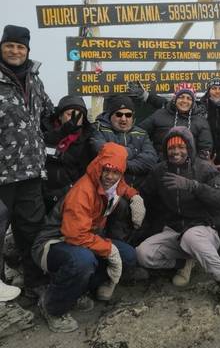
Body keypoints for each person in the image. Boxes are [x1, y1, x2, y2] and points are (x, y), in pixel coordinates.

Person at [136, 126, 220, 319]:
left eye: (181, 147)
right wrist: (133, 199)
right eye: (171, 148)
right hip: (175, 230)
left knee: (191, 237)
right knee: (143, 253)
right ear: (165, 150)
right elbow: (144, 193)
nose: (176, 151)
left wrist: (193, 186)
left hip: (205, 229)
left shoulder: (205, 168)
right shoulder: (160, 170)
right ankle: (185, 261)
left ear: (189, 148)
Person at [32, 142, 145, 333]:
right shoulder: (82, 191)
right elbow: (74, 235)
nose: (110, 176)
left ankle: (77, 290)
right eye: (106, 170)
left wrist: (135, 197)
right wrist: (108, 249)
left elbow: (123, 187)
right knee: (83, 261)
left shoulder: (115, 183)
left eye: (116, 172)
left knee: (128, 256)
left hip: (85, 238)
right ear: (99, 166)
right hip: (53, 243)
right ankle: (52, 307)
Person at [0, 24, 54, 299]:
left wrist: (66, 126)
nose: (15, 51)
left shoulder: (34, 79)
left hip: (32, 170)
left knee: (32, 230)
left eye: (20, 47)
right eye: (10, 45)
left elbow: (48, 114)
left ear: (27, 50)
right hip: (1, 173)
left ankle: (35, 284)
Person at [90, 94, 157, 191]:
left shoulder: (141, 133)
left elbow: (150, 161)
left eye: (128, 115)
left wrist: (121, 163)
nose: (123, 119)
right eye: (119, 114)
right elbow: (104, 154)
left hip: (138, 190)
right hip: (107, 191)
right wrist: (133, 152)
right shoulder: (98, 129)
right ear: (110, 115)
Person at [42, 95, 93, 213]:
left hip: (74, 197)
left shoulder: (89, 139)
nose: (74, 119)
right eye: (70, 114)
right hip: (43, 197)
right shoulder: (44, 132)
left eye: (79, 115)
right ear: (59, 116)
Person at [140, 83, 213, 161]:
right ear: (175, 99)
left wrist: (195, 166)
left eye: (189, 98)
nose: (185, 101)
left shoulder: (201, 121)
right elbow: (140, 133)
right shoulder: (160, 114)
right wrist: (151, 155)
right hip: (160, 164)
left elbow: (205, 148)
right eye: (181, 97)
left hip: (189, 167)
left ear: (193, 102)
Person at [199, 77, 220, 169]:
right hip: (205, 158)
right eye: (213, 88)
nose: (217, 91)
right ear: (208, 91)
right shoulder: (200, 108)